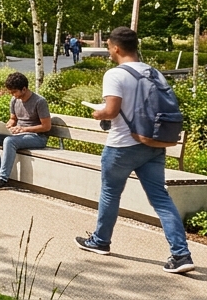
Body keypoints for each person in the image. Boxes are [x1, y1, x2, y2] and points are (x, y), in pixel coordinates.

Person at [76, 26, 195, 274]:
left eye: (109, 47)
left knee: (110, 193)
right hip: (152, 144)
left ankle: (100, 241)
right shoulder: (154, 73)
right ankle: (181, 255)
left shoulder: (115, 74)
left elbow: (111, 111)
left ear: (116, 47)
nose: (109, 51)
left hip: (122, 146)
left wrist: (99, 112)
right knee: (161, 199)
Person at [0, 72, 51, 190]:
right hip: (19, 135)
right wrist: (7, 126)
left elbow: (46, 127)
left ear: (24, 89)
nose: (13, 95)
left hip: (37, 137)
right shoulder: (14, 100)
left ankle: (3, 179)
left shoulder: (40, 102)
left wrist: (24, 129)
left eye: (14, 92)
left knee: (9, 141)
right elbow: (13, 119)